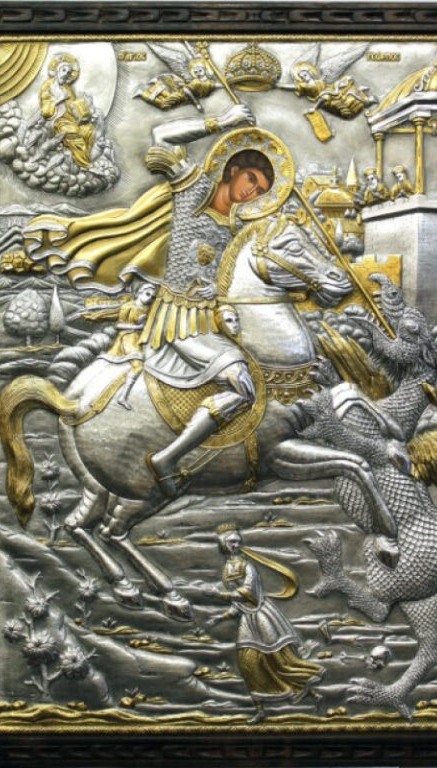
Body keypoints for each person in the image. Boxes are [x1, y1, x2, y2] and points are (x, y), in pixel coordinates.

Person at [24, 105, 275, 496]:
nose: (252, 191)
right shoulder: (194, 192)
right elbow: (162, 137)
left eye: (260, 190)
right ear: (233, 169)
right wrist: (221, 122)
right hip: (178, 322)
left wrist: (221, 299)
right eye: (251, 179)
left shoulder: (235, 224)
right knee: (243, 385)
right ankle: (168, 459)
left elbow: (220, 276)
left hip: (212, 320)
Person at [204, 524, 324, 724]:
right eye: (232, 541)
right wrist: (220, 617)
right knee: (248, 664)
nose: (236, 545)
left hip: (261, 617)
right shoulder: (226, 569)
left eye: (238, 541)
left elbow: (249, 594)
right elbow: (238, 604)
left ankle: (311, 693)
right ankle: (260, 709)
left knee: (279, 661)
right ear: (223, 543)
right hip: (247, 619)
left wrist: (219, 595)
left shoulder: (247, 566)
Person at [39, 53, 95, 169]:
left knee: (89, 129)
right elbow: (45, 110)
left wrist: (83, 111)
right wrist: (59, 99)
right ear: (57, 70)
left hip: (70, 119)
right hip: (57, 121)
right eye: (64, 70)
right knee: (74, 133)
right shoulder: (48, 85)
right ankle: (85, 165)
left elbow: (73, 107)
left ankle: (86, 157)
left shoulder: (67, 89)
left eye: (69, 73)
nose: (66, 74)